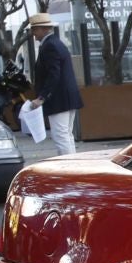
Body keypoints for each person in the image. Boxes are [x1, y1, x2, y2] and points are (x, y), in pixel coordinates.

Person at [26, 14, 84, 156]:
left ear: (42, 29)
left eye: (34, 30)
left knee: (61, 136)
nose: (33, 34)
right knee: (66, 135)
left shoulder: (49, 46)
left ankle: (68, 170)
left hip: (58, 99)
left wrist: (42, 97)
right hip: (67, 97)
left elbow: (54, 74)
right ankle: (73, 167)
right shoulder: (56, 43)